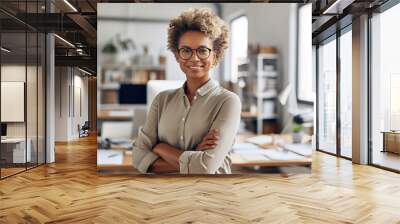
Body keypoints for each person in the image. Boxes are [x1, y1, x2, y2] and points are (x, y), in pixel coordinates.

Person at [132, 8, 241, 174]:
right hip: (165, 193)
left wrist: (160, 148)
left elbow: (206, 168)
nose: (194, 58)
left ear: (215, 55)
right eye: (186, 50)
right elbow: (138, 157)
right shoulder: (162, 100)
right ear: (177, 55)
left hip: (210, 194)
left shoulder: (228, 101)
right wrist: (196, 153)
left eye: (203, 50)